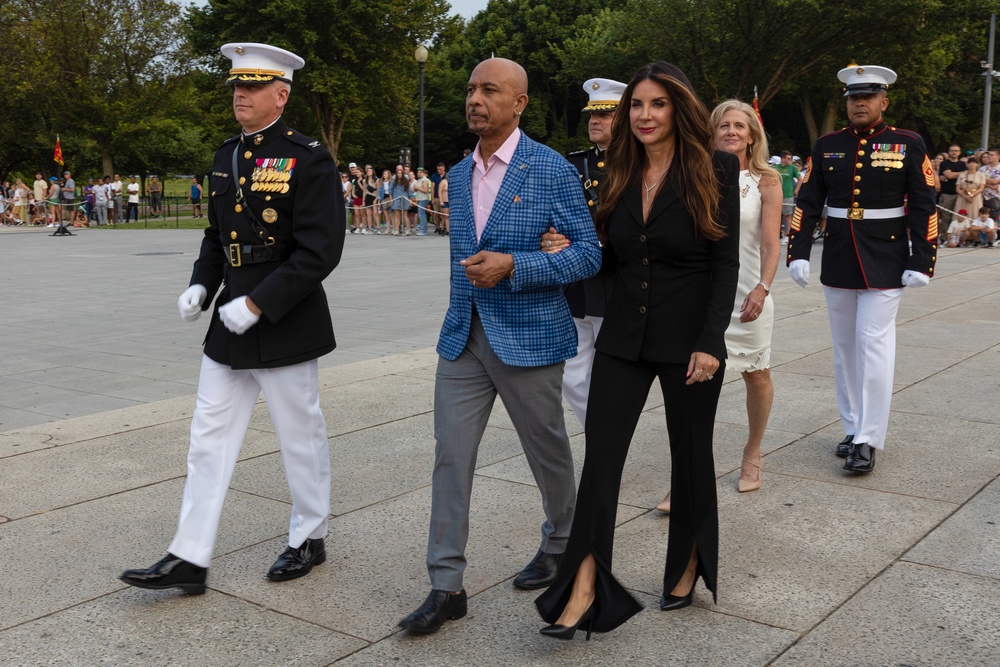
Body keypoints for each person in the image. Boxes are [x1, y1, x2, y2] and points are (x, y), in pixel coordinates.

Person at [120, 42, 345, 595]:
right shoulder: (227, 156)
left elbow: (320, 250)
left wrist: (259, 302)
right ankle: (189, 556)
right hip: (229, 317)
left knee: (299, 433)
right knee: (207, 436)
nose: (239, 94)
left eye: (251, 86)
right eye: (236, 85)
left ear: (281, 94)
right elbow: (216, 235)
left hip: (284, 316)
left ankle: (309, 536)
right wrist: (201, 281)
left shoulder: (308, 156)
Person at [535, 60, 740, 639]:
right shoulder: (617, 170)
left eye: (657, 104)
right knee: (601, 459)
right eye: (637, 106)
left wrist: (711, 342)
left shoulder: (715, 168)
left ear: (679, 109)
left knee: (691, 456)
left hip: (690, 341)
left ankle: (691, 560)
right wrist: (572, 245)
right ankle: (583, 586)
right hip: (624, 337)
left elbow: (724, 266)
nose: (644, 115)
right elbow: (615, 255)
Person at [398, 56, 602, 635]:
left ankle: (561, 542)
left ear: (520, 104)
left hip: (531, 337)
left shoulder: (550, 168)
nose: (475, 99)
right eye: (470, 89)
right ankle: (446, 585)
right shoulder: (459, 175)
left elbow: (587, 254)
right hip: (463, 337)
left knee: (549, 454)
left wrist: (517, 264)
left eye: (490, 90)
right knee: (450, 457)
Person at [787, 64, 937, 474]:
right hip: (838, 254)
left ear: (883, 101)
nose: (859, 103)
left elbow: (924, 204)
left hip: (887, 259)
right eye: (854, 97)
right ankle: (852, 428)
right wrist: (797, 251)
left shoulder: (907, 143)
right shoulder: (827, 145)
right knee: (844, 350)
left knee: (873, 344)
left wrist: (922, 258)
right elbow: (807, 202)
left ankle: (869, 438)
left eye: (867, 97)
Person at [655, 100, 780, 513]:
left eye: (739, 126)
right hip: (702, 294)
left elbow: (768, 243)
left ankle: (753, 452)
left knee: (756, 376)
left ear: (752, 135)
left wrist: (762, 288)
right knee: (693, 384)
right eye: (723, 125)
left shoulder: (766, 180)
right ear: (712, 132)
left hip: (748, 292)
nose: (731, 131)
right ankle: (685, 478)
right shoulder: (695, 173)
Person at [556, 77, 625, 429]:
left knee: (612, 372)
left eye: (606, 114)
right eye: (591, 116)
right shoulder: (573, 165)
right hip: (578, 283)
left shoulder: (640, 165)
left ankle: (604, 445)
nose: (595, 121)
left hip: (619, 282)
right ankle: (602, 435)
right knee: (571, 373)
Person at [775, 150, 799, 241]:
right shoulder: (776, 167)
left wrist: (796, 190)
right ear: (783, 158)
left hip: (788, 195)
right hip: (777, 195)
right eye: (788, 158)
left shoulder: (792, 168)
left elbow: (800, 179)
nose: (790, 160)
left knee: (788, 215)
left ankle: (787, 235)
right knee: (777, 216)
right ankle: (778, 234)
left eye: (790, 159)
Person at [412, 167, 432, 235]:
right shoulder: (419, 180)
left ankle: (424, 230)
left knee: (421, 214)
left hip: (424, 198)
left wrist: (417, 187)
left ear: (423, 173)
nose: (419, 173)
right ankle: (422, 229)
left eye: (420, 172)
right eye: (418, 172)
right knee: (420, 214)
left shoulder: (425, 180)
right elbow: (417, 190)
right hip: (419, 198)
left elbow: (425, 190)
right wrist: (415, 189)